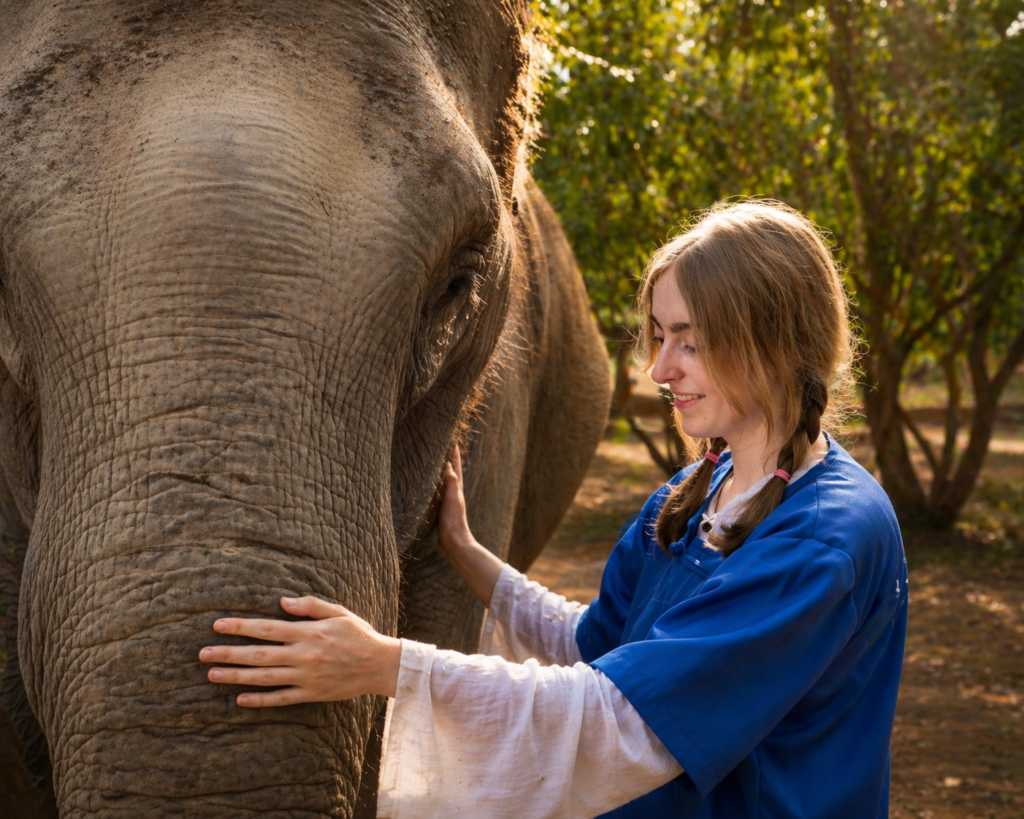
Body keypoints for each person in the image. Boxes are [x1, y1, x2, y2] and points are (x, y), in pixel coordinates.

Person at [200, 200, 908, 818]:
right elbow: (598, 646)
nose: (659, 371)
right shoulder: (697, 494)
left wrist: (385, 665)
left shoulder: (821, 542)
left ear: (775, 344)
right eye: (659, 338)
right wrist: (470, 555)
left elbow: (619, 720)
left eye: (688, 341)